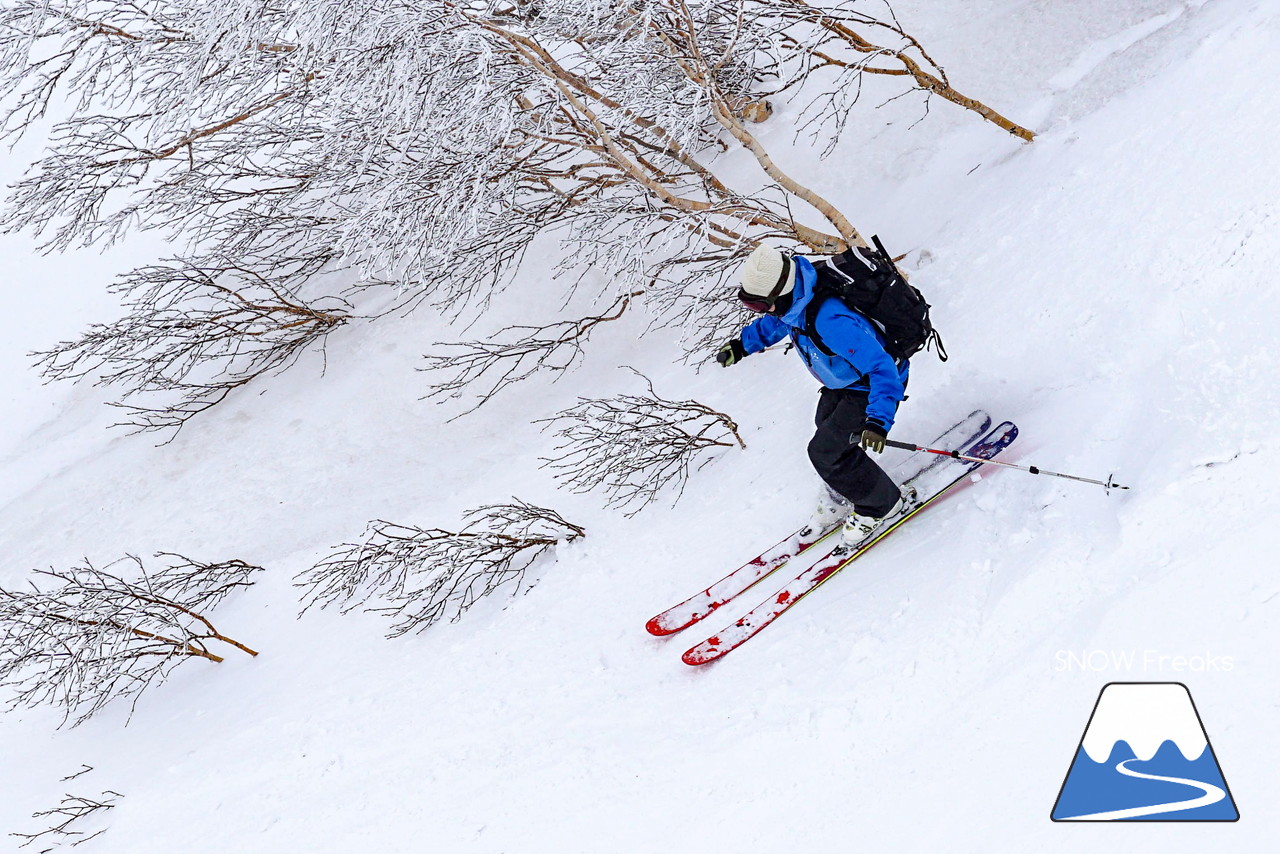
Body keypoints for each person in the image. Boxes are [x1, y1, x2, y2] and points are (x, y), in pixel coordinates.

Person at [716, 244, 912, 544]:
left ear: (780, 294)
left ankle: (881, 505)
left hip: (872, 386)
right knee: (828, 431)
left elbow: (881, 367)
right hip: (845, 383)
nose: (758, 310)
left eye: (758, 305)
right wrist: (744, 345)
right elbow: (777, 322)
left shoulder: (830, 320)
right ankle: (845, 488)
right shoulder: (797, 299)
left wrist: (878, 421)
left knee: (825, 452)